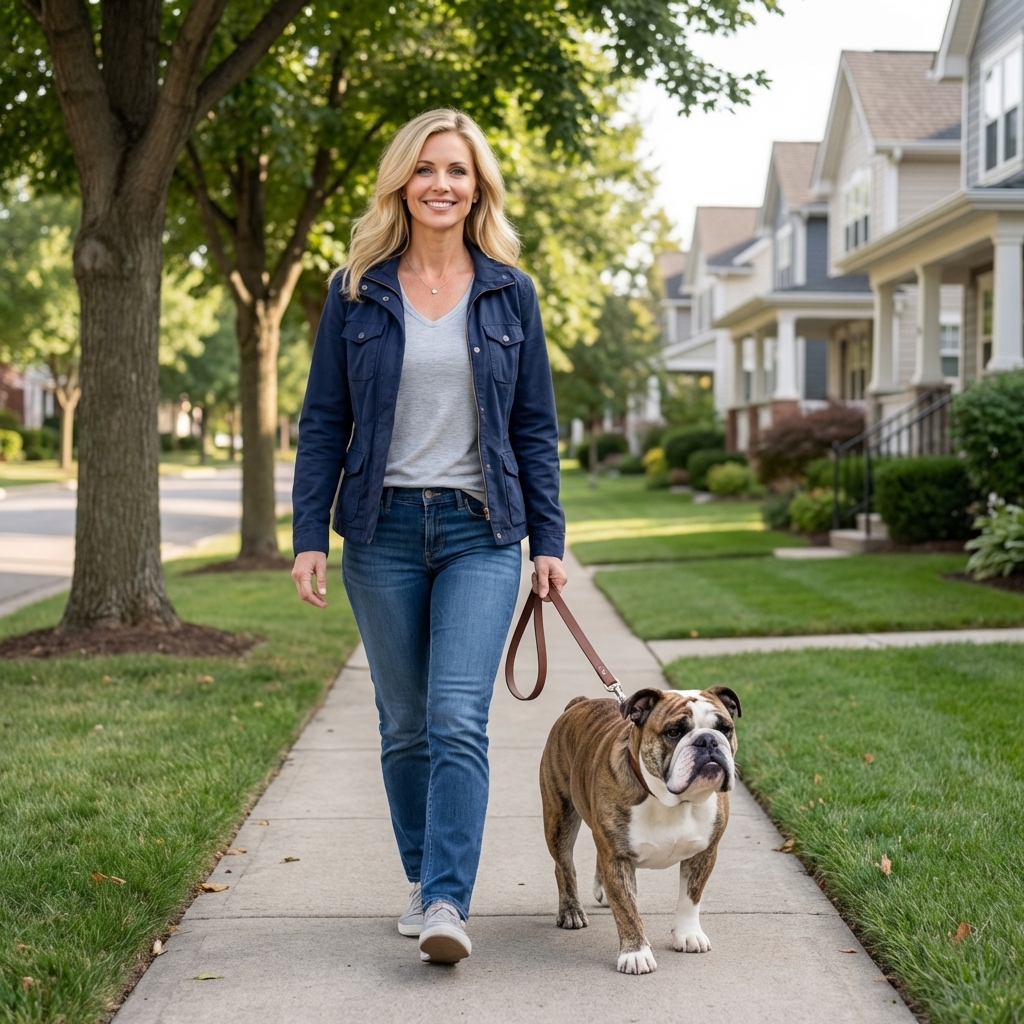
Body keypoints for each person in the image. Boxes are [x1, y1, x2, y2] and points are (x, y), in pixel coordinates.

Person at [290, 108, 566, 965]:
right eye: (426, 170)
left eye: (458, 170)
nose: (442, 184)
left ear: (478, 186)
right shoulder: (355, 289)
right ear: (401, 184)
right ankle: (422, 877)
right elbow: (323, 420)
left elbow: (534, 427)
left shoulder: (509, 293)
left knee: (457, 717)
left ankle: (448, 897)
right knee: (404, 723)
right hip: (384, 531)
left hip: (482, 530)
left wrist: (547, 540)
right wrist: (307, 534)